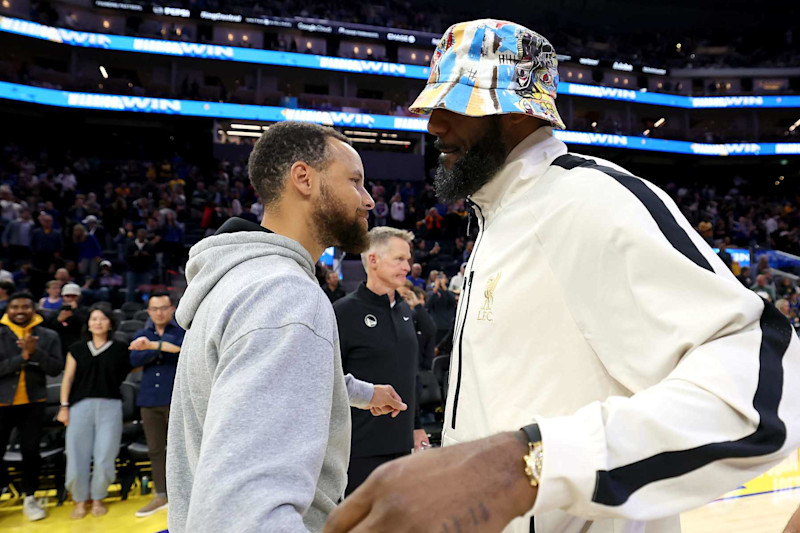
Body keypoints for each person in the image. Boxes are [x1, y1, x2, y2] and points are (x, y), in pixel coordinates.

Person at [325, 19, 800, 533]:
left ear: (516, 112)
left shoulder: (589, 202)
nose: (433, 123)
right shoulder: (499, 217)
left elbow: (760, 385)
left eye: (454, 105)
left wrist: (526, 464)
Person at [167, 121, 409, 533]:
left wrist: (364, 393)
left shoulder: (242, 278)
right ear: (304, 178)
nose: (368, 200)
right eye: (355, 181)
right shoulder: (284, 295)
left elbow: (270, 377)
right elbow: (246, 514)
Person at [333, 227, 429, 496]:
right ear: (373, 260)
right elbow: (328, 381)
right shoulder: (343, 313)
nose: (407, 267)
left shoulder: (404, 311)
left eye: (408, 259)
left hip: (401, 446)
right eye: (399, 259)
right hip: (357, 450)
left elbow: (412, 374)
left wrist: (417, 425)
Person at [57, 302, 132, 519]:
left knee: (105, 455)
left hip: (110, 406)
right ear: (88, 324)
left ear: (110, 323)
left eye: (102, 318)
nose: (97, 322)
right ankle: (80, 500)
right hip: (79, 407)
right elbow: (68, 379)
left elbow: (133, 367)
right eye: (93, 319)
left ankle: (98, 497)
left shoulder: (120, 349)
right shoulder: (77, 349)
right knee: (76, 454)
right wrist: (64, 407)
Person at [0, 292, 63, 521]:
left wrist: (35, 352)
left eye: (25, 306)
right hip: (2, 403)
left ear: (33, 308)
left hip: (33, 403)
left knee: (30, 453)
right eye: (15, 306)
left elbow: (56, 368)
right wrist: (23, 356)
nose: (20, 311)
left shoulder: (48, 335)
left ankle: (30, 497)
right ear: (7, 309)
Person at [128, 291, 185, 517]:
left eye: (164, 307)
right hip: (149, 399)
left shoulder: (181, 331)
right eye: (155, 309)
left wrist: (151, 346)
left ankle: (185, 492)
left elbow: (180, 350)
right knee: (155, 449)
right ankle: (161, 494)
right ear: (149, 312)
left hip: (177, 399)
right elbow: (134, 359)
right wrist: (157, 346)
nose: (159, 312)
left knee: (181, 448)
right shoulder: (142, 333)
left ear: (172, 309)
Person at [44, 283, 89, 358]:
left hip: (78, 342)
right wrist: (58, 320)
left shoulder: (85, 311)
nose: (70, 299)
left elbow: (85, 325)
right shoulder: (57, 312)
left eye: (74, 296)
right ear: (63, 297)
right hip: (60, 345)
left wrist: (74, 311)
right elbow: (50, 330)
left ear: (79, 297)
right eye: (67, 296)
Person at [426, 272, 457, 343]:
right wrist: (435, 289)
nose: (440, 280)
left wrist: (444, 288)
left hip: (448, 326)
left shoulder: (450, 293)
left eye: (442, 278)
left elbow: (454, 302)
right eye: (438, 278)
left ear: (446, 280)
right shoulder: (430, 293)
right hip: (436, 325)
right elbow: (428, 305)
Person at [125, 229, 154, 302]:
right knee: (130, 291)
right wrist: (134, 255)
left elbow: (153, 259)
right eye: (140, 234)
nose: (141, 236)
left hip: (145, 271)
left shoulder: (150, 246)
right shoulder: (131, 245)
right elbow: (126, 257)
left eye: (143, 234)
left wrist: (147, 255)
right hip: (132, 270)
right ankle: (129, 305)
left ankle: (146, 306)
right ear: (137, 235)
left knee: (146, 291)